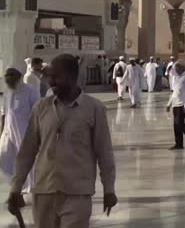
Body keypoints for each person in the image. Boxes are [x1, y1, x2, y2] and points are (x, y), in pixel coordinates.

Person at [7, 54, 117, 226]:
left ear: (71, 77)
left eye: (56, 77)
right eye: (50, 76)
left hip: (77, 194)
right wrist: (16, 187)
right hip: (44, 192)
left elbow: (104, 152)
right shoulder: (41, 108)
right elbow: (26, 152)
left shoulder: (94, 109)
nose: (51, 82)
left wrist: (109, 189)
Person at [0, 65, 40, 193]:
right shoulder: (8, 92)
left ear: (18, 77)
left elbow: (38, 111)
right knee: (5, 157)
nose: (8, 79)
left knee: (26, 160)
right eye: (6, 76)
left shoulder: (30, 90)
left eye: (10, 76)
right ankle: (17, 187)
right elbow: (5, 113)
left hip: (25, 133)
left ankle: (28, 189)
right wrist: (2, 131)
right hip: (8, 132)